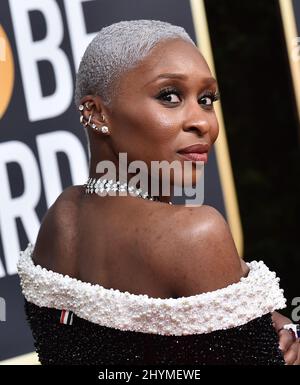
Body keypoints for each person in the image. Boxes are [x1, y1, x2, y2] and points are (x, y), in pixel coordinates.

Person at [17, 19, 300, 365]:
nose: (204, 123)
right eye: (170, 96)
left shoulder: (61, 218)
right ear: (95, 113)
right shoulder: (195, 234)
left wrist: (260, 322)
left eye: (207, 99)